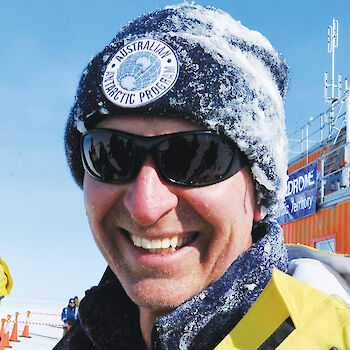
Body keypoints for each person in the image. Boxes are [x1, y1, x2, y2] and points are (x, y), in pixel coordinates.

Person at [54, 4, 350, 349]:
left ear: (258, 193)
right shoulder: (86, 335)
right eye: (111, 154)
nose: (145, 206)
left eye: (195, 157)